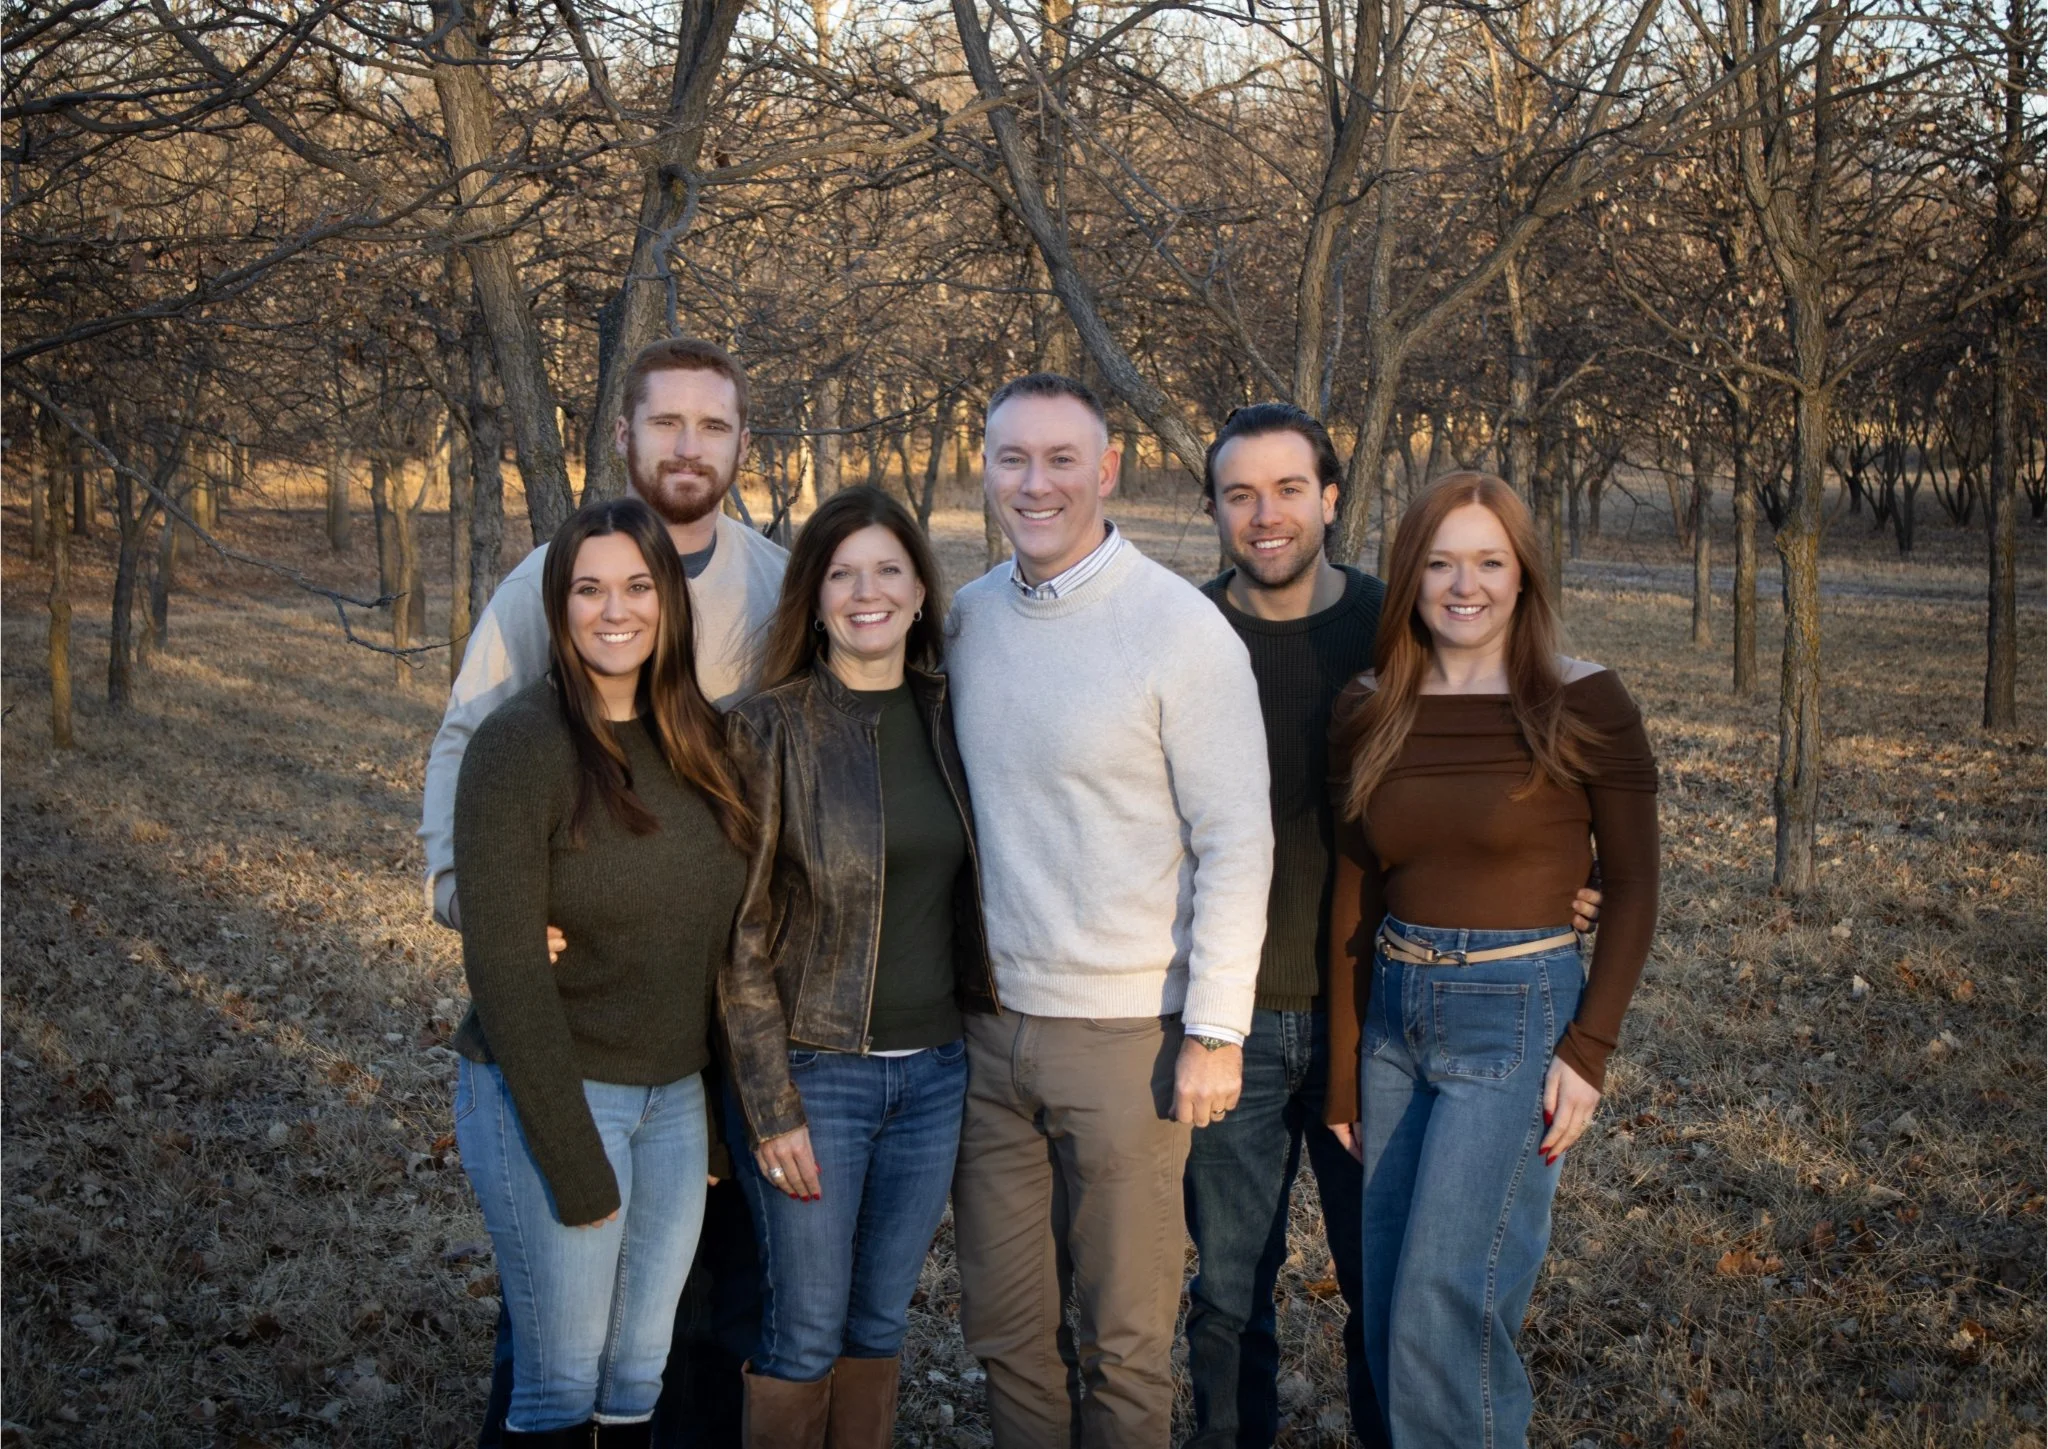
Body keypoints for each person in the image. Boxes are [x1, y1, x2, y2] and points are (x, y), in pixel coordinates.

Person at [1187, 408, 1599, 1449]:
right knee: (1227, 1293)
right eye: (1240, 493)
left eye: (1289, 489)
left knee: (1391, 1284)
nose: (1266, 514)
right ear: (1213, 509)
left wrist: (1559, 874)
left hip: (1374, 1013)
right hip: (1223, 1017)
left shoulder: (1395, 624)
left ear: (1331, 499)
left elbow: (1498, 757)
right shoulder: (1180, 634)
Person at [420, 337, 786, 1448]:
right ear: (624, 435)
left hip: (693, 1055)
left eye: (712, 425)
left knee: (666, 1345)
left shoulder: (770, 596)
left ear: (741, 442)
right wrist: (472, 895)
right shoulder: (541, 597)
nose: (688, 445)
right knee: (556, 1355)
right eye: (665, 422)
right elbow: (467, 735)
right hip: (568, 1051)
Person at [944, 373, 1274, 1449]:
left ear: (1108, 469)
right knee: (1007, 1331)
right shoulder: (968, 619)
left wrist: (1215, 1029)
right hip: (986, 1031)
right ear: (986, 468)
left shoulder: (1179, 630)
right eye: (1012, 459)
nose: (1034, 484)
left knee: (1123, 1342)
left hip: (1127, 1039)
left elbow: (1236, 840)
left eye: (1060, 460)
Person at [1324, 473, 1660, 1449]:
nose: (1462, 586)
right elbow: (1354, 890)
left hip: (1514, 1011)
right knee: (1388, 1297)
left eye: (1487, 562)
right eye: (1439, 563)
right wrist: (1343, 1071)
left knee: (1445, 1299)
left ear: (1522, 576)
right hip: (1394, 1019)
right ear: (1408, 578)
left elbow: (1633, 885)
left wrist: (1587, 1051)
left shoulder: (1583, 699)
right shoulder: (1369, 704)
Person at [717, 486, 994, 1449]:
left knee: (878, 1326)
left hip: (936, 1075)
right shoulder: (768, 729)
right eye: (842, 574)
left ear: (919, 592)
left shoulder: (955, 716)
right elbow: (739, 933)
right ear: (814, 596)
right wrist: (770, 1103)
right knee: (804, 1331)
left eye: (887, 571)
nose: (866, 592)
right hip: (815, 1071)